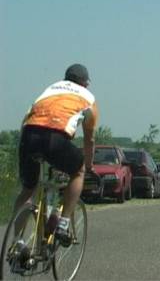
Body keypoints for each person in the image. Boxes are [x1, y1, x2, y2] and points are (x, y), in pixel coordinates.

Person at [14, 63, 98, 246]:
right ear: (85, 83)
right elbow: (89, 140)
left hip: (28, 136)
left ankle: (17, 243)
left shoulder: (50, 90)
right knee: (78, 171)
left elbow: (26, 119)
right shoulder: (88, 98)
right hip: (55, 138)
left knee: (29, 189)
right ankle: (63, 223)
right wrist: (89, 165)